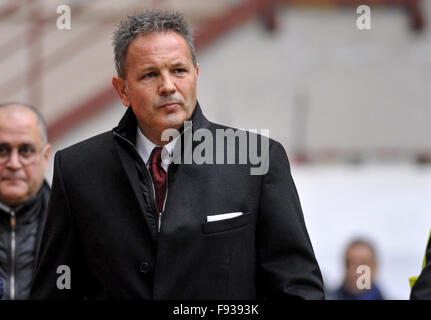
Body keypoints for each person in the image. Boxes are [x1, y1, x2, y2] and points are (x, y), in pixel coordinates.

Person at [29, 10, 324, 299]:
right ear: (123, 90)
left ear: (195, 75)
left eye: (179, 70)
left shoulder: (257, 160)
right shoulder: (77, 169)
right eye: (150, 74)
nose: (168, 86)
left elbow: (296, 287)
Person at [0, 103, 51, 300]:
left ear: (45, 157)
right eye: (2, 150)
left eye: (25, 150)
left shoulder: (72, 223)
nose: (13, 163)